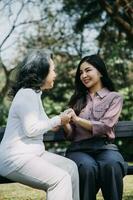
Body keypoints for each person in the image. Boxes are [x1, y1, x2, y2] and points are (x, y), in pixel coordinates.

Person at [0, 49, 79, 200]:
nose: (55, 74)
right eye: (53, 70)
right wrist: (58, 119)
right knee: (60, 179)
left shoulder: (34, 94)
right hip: (15, 159)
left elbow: (47, 125)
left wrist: (63, 119)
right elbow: (31, 129)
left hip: (33, 155)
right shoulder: (27, 94)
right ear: (42, 72)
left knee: (71, 167)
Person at [63, 54, 127, 200]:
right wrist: (66, 123)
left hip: (105, 148)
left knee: (112, 164)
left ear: (100, 72)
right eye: (80, 73)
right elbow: (72, 135)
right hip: (79, 149)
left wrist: (77, 119)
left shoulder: (114, 97)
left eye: (88, 70)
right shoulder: (77, 99)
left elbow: (105, 126)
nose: (83, 75)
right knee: (87, 168)